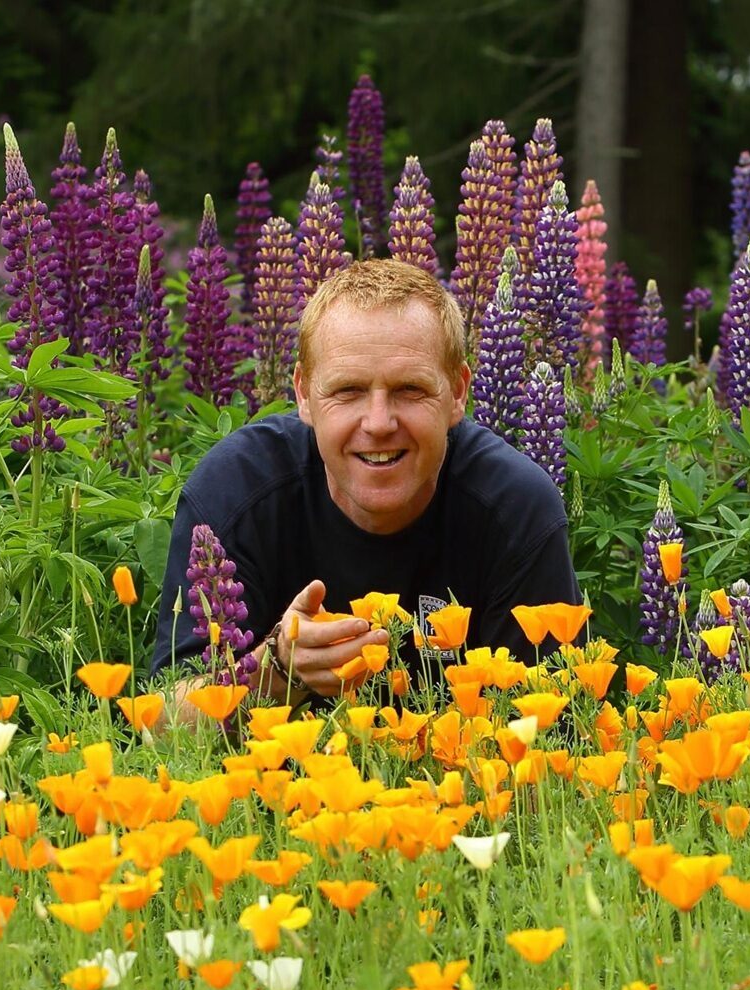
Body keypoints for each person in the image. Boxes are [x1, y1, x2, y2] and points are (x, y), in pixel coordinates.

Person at [149, 258, 580, 726]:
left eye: (410, 389)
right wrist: (276, 669)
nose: (378, 423)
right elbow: (164, 721)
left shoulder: (516, 508)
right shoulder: (237, 489)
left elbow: (549, 728)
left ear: (458, 392)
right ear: (303, 393)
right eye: (348, 390)